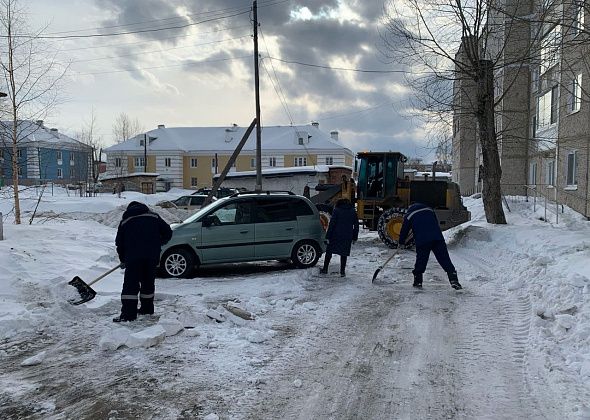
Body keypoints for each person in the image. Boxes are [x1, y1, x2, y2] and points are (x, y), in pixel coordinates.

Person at [114, 201, 173, 322]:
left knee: (130, 286)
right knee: (148, 282)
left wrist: (123, 259)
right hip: (152, 257)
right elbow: (168, 232)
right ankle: (147, 309)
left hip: (133, 258)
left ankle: (128, 315)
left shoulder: (125, 221)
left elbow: (119, 243)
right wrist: (158, 243)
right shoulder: (154, 217)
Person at [398, 202, 462, 290]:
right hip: (437, 237)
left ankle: (418, 281)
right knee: (444, 258)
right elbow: (434, 223)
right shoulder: (430, 210)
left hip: (422, 240)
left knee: (421, 259)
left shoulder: (409, 215)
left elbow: (404, 230)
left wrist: (401, 242)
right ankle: (454, 279)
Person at [320, 198, 359, 277]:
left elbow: (332, 224)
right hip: (347, 236)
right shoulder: (352, 211)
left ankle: (325, 269)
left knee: (329, 251)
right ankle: (342, 272)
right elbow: (356, 225)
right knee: (344, 253)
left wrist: (328, 236)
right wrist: (355, 237)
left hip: (335, 235)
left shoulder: (337, 210)